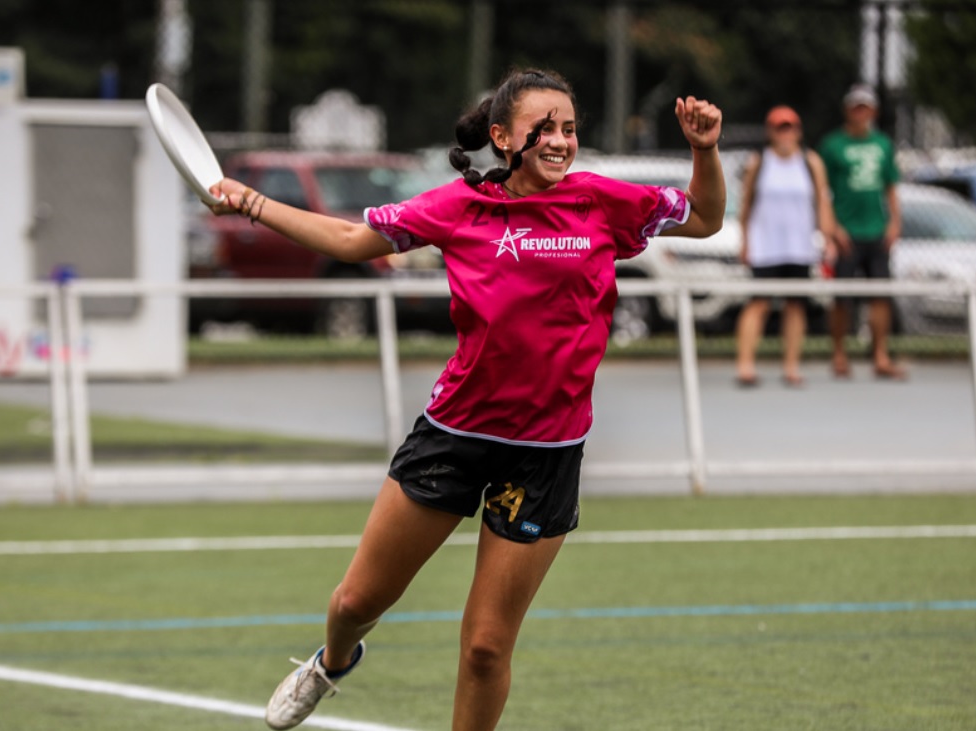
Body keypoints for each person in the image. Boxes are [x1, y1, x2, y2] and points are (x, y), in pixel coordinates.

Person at [206, 68, 726, 731]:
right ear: (502, 136)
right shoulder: (457, 206)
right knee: (356, 598)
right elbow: (348, 240)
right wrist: (251, 202)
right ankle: (331, 661)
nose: (560, 140)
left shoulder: (600, 201)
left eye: (569, 128)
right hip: (453, 437)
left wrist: (704, 149)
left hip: (545, 455)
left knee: (486, 647)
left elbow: (707, 218)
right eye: (544, 127)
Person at [734, 105, 835, 388]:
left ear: (798, 131)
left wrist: (826, 237)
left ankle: (791, 366)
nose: (785, 133)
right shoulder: (760, 162)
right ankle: (745, 365)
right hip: (766, 246)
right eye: (780, 127)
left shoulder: (810, 161)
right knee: (759, 303)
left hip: (799, 246)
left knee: (795, 305)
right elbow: (746, 204)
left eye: (790, 127)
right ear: (771, 132)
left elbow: (822, 201)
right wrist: (745, 241)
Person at [818, 83, 906, 380]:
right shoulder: (832, 146)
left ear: (874, 111)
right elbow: (822, 191)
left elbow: (891, 186)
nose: (861, 113)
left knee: (880, 296)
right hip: (846, 233)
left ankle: (880, 354)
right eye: (856, 107)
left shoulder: (883, 144)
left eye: (866, 107)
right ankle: (839, 353)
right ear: (847, 110)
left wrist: (894, 222)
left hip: (876, 231)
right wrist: (833, 228)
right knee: (842, 297)